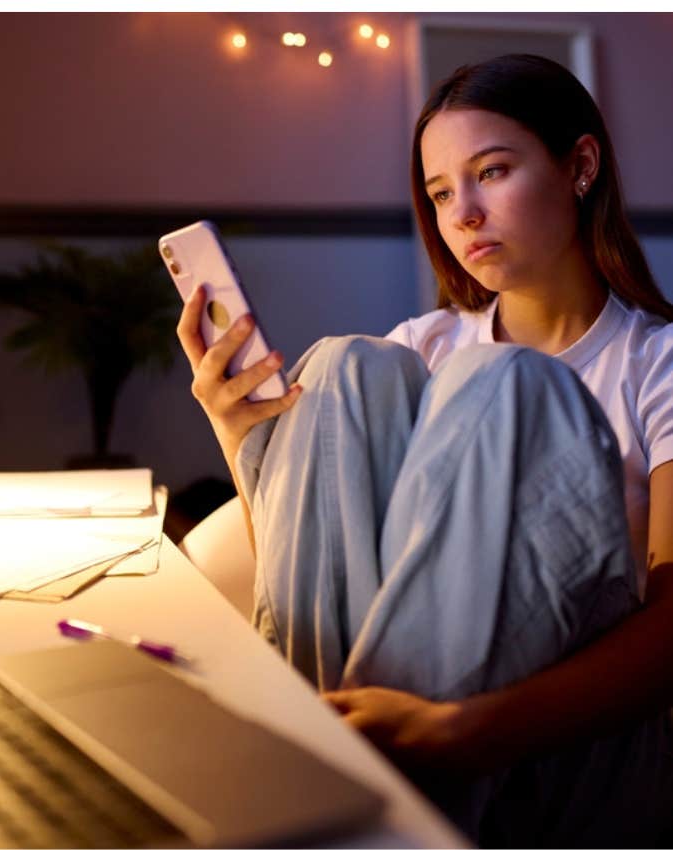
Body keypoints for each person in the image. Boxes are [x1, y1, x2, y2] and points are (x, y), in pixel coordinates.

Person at [176, 53, 673, 846]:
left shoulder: (658, 363)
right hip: (375, 715)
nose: (464, 213)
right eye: (442, 194)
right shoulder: (419, 348)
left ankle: (371, 793)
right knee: (345, 364)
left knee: (508, 385)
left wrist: (470, 730)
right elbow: (320, 562)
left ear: (580, 166)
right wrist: (235, 431)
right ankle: (328, 769)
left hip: (554, 739)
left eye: (492, 172)